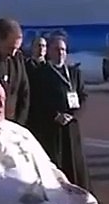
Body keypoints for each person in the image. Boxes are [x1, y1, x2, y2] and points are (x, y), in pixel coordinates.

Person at [29, 32, 92, 190]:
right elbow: (37, 100)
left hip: (71, 126)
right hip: (52, 128)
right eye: (57, 50)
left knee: (76, 166)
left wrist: (73, 115)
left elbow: (83, 96)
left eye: (63, 50)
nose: (60, 53)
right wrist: (55, 115)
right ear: (49, 52)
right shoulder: (40, 74)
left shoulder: (74, 73)